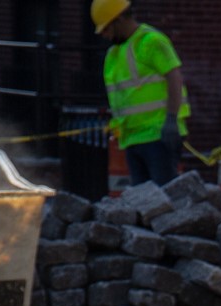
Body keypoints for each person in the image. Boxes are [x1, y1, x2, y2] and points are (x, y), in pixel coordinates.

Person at [91, 0, 189, 188]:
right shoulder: (114, 54)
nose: (104, 35)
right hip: (133, 138)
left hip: (158, 136)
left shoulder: (152, 41)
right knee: (144, 204)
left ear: (118, 20)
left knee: (165, 199)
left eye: (106, 29)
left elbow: (174, 78)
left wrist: (171, 120)